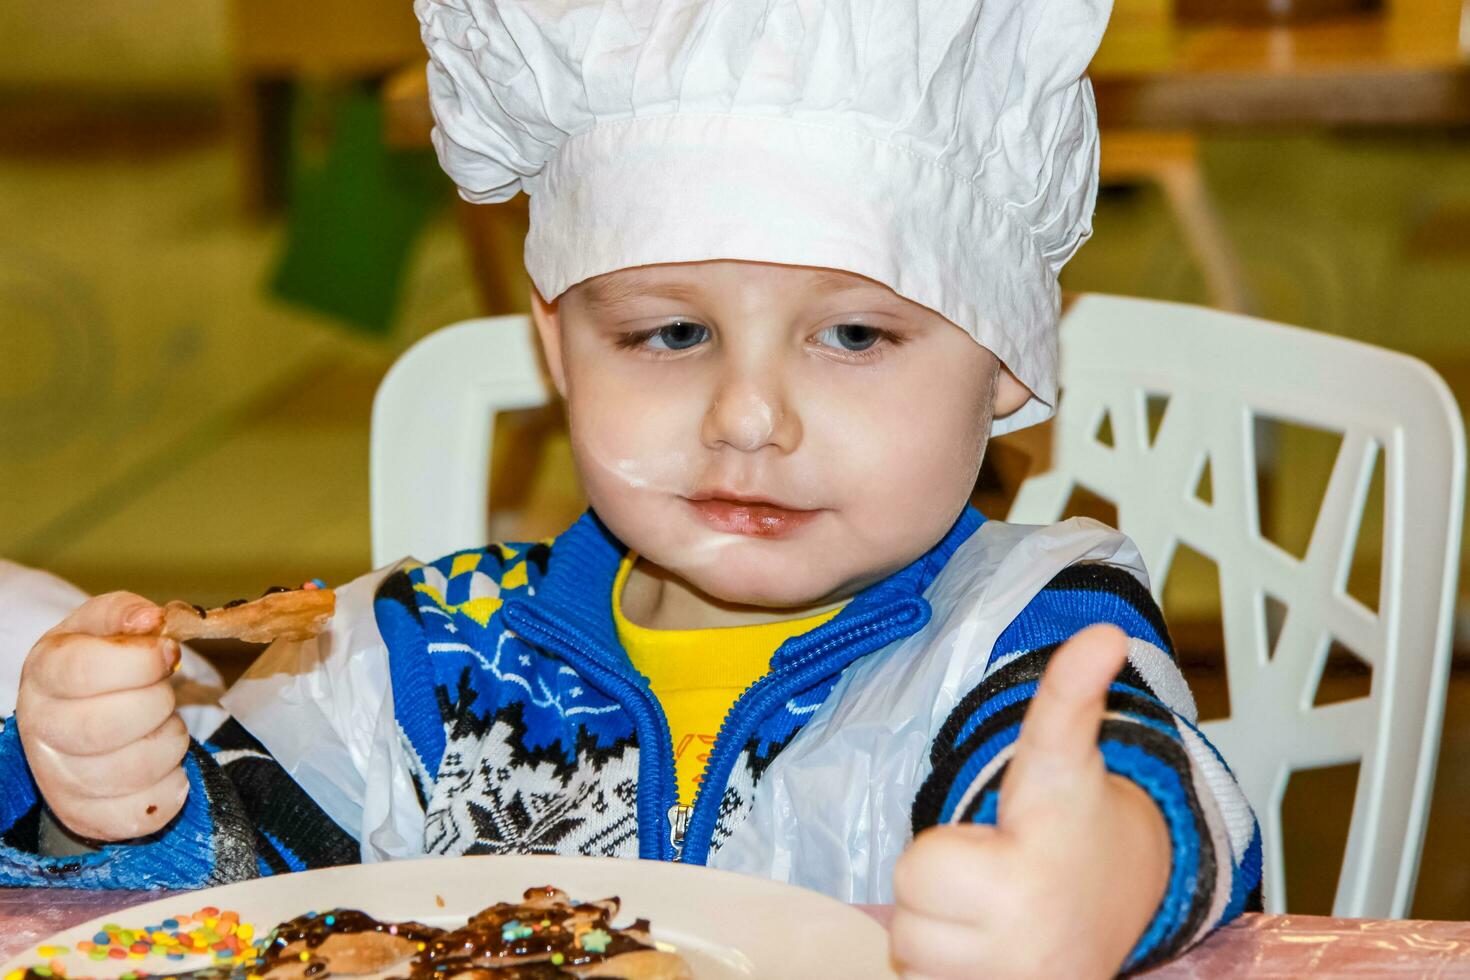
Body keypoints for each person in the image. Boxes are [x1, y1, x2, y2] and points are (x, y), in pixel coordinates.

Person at [0, 1, 1262, 975]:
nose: (750, 417)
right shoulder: (411, 656)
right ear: (557, 343)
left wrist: (1089, 877)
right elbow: (220, 886)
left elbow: (1129, 790)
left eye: (857, 337)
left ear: (1006, 362)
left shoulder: (1022, 631)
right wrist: (106, 788)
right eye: (669, 335)